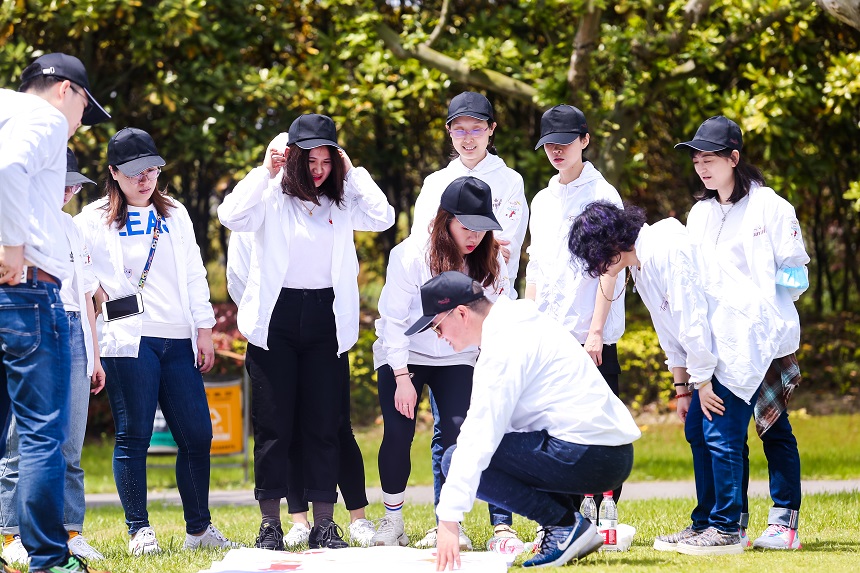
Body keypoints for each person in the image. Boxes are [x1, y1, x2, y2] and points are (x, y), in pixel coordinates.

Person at [568, 201, 786, 556]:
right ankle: (704, 523)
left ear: (610, 243)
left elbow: (691, 318)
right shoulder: (640, 264)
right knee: (697, 430)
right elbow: (670, 331)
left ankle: (727, 528)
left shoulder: (664, 247)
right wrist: (683, 388)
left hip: (736, 342)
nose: (597, 268)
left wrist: (703, 382)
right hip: (710, 353)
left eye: (595, 258)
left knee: (720, 434)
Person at [218, 114, 394, 550]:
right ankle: (270, 524)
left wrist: (352, 171)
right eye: (310, 161)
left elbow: (384, 216)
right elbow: (230, 215)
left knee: (323, 425)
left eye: (326, 161)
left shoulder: (341, 200)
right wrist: (264, 171)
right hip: (275, 321)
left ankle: (325, 524)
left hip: (325, 319)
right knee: (274, 427)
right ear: (293, 159)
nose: (318, 170)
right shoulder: (270, 196)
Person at [404, 271, 639, 570]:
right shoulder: (518, 322)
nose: (439, 338)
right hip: (606, 452)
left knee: (454, 459)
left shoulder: (504, 344)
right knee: (486, 452)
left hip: (590, 454)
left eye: (437, 327)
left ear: (461, 313)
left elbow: (480, 434)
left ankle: (564, 526)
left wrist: (448, 521)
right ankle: (569, 526)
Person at [75, 127, 237, 556]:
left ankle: (199, 529)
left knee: (197, 434)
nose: (145, 179)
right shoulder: (90, 219)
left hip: (177, 338)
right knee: (134, 436)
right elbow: (78, 274)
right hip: (128, 341)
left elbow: (194, 273)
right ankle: (139, 530)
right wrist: (96, 301)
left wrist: (204, 329)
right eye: (134, 172)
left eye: (151, 169)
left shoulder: (175, 213)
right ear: (113, 173)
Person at [0, 52, 110, 573]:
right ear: (66, 89)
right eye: (85, 109)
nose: (81, 122)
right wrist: (12, 246)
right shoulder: (44, 117)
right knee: (42, 434)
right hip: (24, 291)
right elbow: (8, 167)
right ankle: (48, 558)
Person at [678, 115, 809, 550]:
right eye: (696, 160)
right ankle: (732, 522)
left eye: (710, 159)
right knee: (720, 431)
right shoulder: (699, 213)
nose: (701, 167)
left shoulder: (771, 206)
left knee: (772, 427)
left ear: (734, 158)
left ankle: (783, 522)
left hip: (766, 339)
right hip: (719, 343)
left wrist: (762, 307)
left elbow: (796, 271)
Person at [409, 91, 527, 548]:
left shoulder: (509, 181)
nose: (468, 138)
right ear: (449, 132)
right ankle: (447, 522)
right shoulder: (434, 183)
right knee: (449, 426)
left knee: (500, 420)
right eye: (459, 129)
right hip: (451, 324)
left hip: (492, 315)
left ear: (492, 130)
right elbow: (426, 248)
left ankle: (503, 524)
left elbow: (504, 248)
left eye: (477, 128)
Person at [372, 176, 510, 549]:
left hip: (457, 354)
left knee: (456, 434)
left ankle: (451, 524)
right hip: (404, 352)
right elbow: (394, 322)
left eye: (482, 227)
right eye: (466, 227)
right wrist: (402, 377)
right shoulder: (409, 255)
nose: (474, 236)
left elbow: (497, 313)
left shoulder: (490, 258)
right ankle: (393, 521)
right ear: (445, 220)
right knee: (398, 432)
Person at [527, 104, 627, 508]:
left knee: (599, 427)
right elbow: (535, 265)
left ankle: (604, 511)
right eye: (549, 144)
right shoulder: (542, 200)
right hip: (550, 334)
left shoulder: (602, 194)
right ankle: (563, 517)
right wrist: (529, 325)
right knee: (555, 429)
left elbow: (611, 266)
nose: (556, 151)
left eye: (565, 143)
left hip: (590, 334)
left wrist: (596, 332)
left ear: (584, 140)